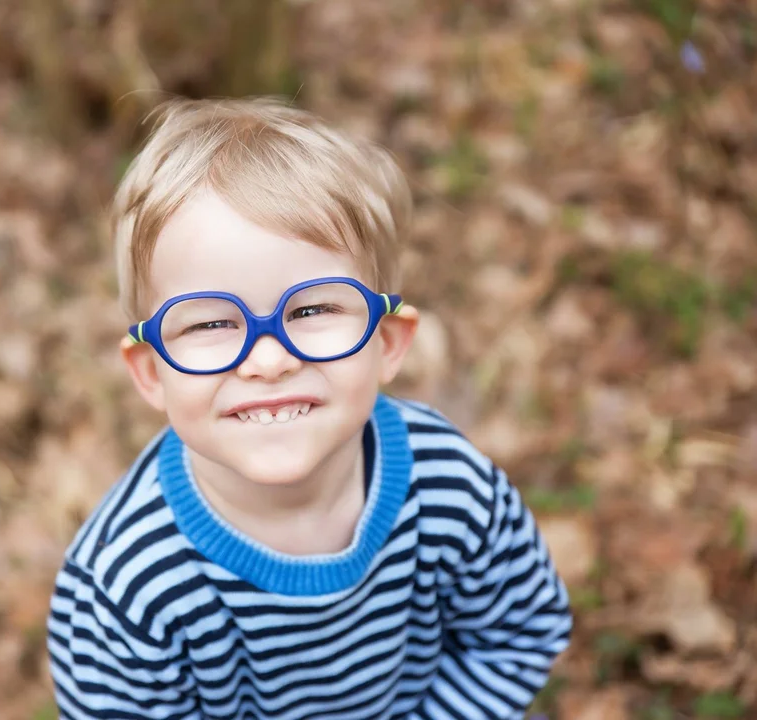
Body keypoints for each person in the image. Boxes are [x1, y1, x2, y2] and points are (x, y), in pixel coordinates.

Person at [46, 96, 572, 719]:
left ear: (386, 342)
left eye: (314, 309)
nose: (268, 360)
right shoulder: (125, 585)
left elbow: (518, 633)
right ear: (151, 372)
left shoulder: (449, 486)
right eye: (211, 323)